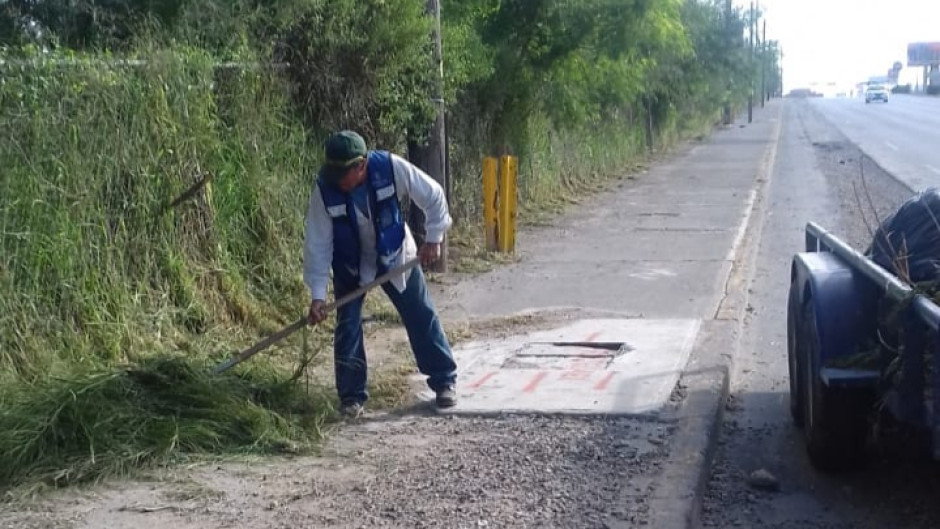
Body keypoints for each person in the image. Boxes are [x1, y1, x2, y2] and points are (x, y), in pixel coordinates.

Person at [303, 130, 458, 417]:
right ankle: (351, 397)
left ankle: (444, 380)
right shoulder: (324, 189)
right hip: (351, 264)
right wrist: (317, 295)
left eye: (342, 172)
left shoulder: (390, 167)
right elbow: (318, 243)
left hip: (395, 255)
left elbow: (433, 195)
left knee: (420, 313)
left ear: (360, 165)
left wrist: (434, 238)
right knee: (347, 326)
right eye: (332, 171)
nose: (337, 179)